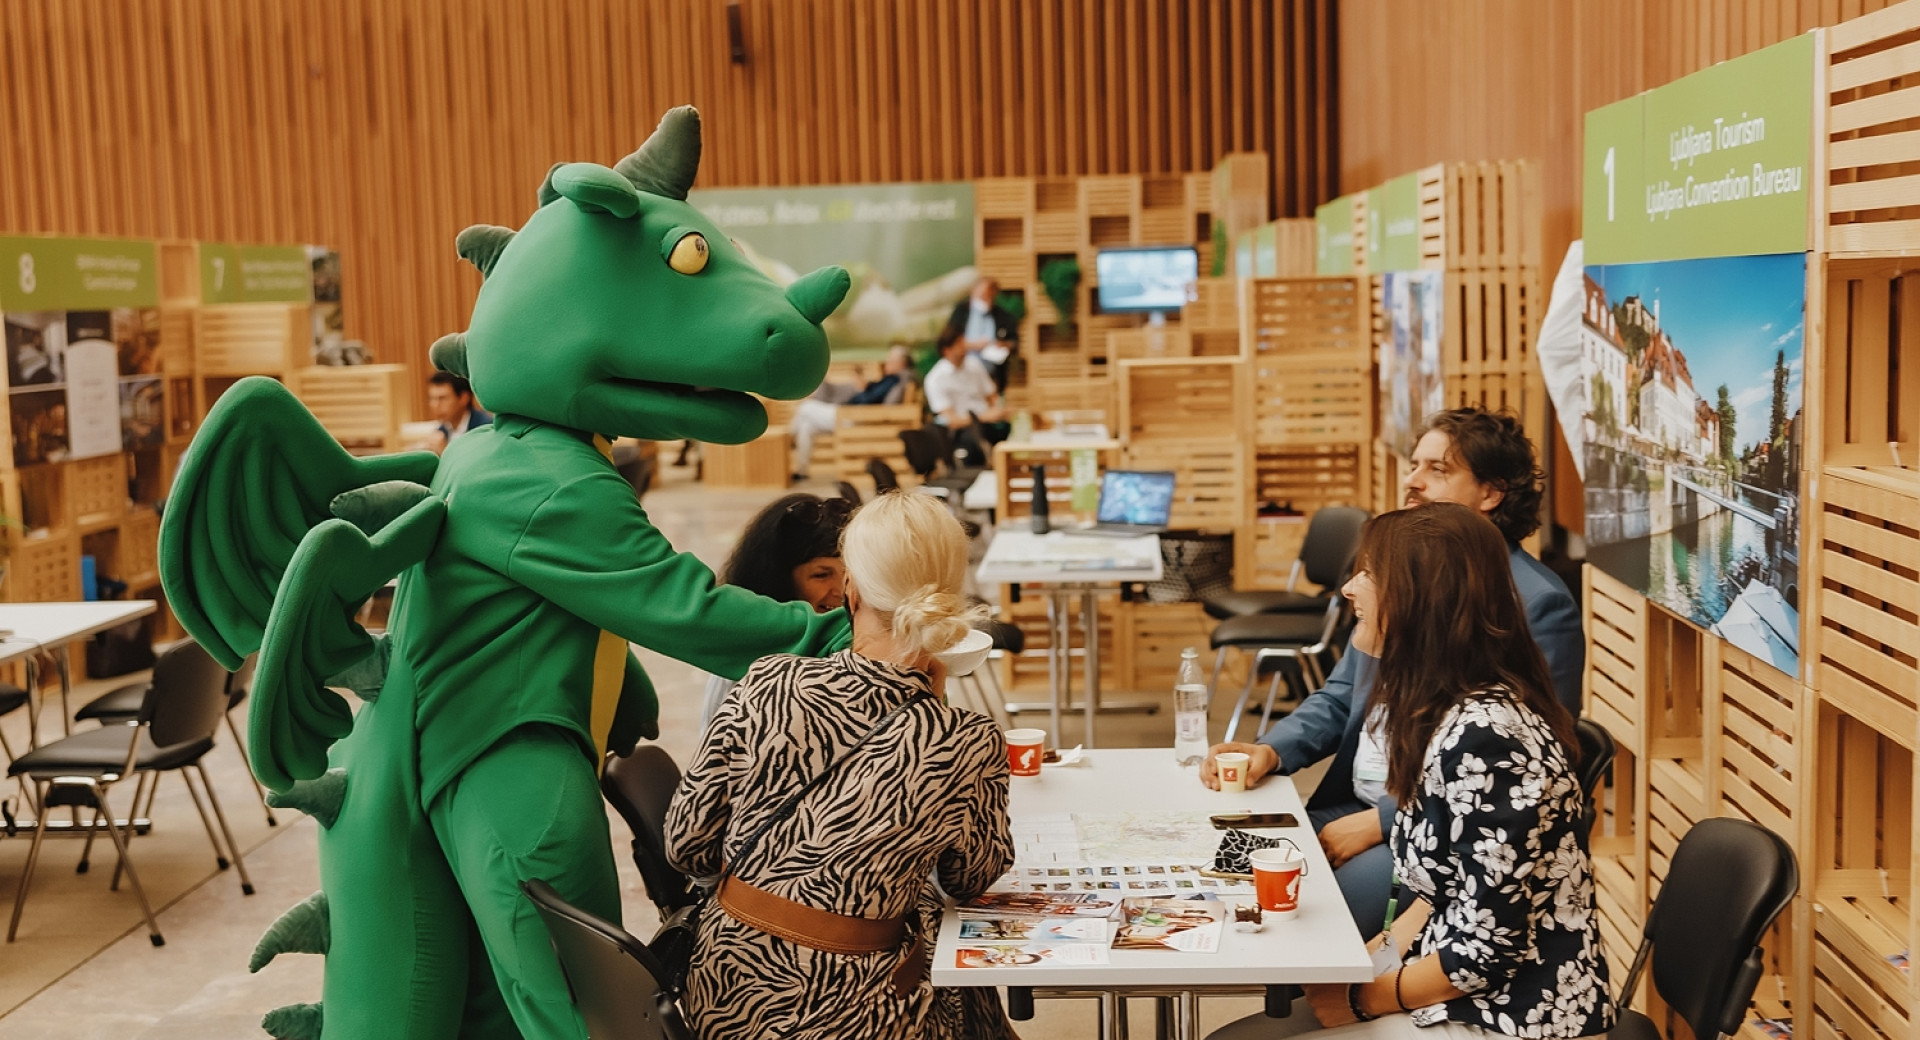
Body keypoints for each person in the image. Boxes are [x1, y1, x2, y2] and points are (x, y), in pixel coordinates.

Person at [1209, 504, 1612, 1040]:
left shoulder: (1489, 740)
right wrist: (1368, 962)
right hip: (1456, 990)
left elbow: (1484, 951)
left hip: (1514, 1018)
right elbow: (1438, 894)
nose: (1348, 589)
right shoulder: (1447, 712)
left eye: (1369, 575)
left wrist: (1363, 998)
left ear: (1424, 599)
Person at [1200, 407, 1584, 933]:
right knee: (1216, 865)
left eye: (1438, 470)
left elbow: (1523, 765)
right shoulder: (1403, 575)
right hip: (1349, 804)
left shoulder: (1536, 602)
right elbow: (1341, 697)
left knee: (1294, 913)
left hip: (1431, 827)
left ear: (1490, 494)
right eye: (1414, 464)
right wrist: (1271, 750)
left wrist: (1382, 823)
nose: (1412, 481)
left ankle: (1335, 1005)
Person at [665, 492, 1017, 1040]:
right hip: (853, 1012)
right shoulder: (964, 741)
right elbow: (969, 880)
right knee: (964, 1000)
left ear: (851, 586)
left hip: (725, 992)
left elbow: (686, 846)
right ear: (948, 598)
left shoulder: (766, 683)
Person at [697, 491, 854, 727]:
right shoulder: (746, 658)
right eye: (821, 575)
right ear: (780, 578)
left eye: (850, 573)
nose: (841, 591)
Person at [789, 344, 914, 480]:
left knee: (806, 406)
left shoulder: (893, 379)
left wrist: (861, 392)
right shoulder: (892, 380)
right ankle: (802, 471)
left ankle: (789, 438)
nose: (886, 364)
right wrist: (865, 387)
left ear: (901, 363)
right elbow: (873, 393)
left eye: (890, 361)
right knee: (807, 427)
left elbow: (870, 399)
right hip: (852, 415)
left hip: (854, 417)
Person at [923, 323, 1009, 467]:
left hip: (989, 423)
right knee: (972, 443)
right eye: (959, 344)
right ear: (947, 350)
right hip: (963, 432)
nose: (964, 348)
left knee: (1011, 429)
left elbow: (992, 395)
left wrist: (999, 408)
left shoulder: (973, 365)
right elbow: (951, 420)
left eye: (963, 342)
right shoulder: (935, 379)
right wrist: (983, 417)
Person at [946, 276, 1019, 391]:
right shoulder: (961, 311)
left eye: (990, 296)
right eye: (983, 295)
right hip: (963, 372)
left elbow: (1014, 342)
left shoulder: (1002, 315)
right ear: (974, 291)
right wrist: (973, 345)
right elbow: (948, 339)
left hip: (991, 374)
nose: (986, 299)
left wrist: (1003, 345)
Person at [426, 371, 492, 453]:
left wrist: (445, 452)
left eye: (442, 398)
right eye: (432, 398)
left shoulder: (485, 429)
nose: (435, 405)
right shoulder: (442, 430)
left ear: (464, 398)